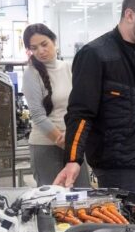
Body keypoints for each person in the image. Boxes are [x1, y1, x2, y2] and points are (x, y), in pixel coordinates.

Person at [54, 0, 135, 194]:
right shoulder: (94, 55)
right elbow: (81, 113)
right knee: (125, 225)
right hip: (117, 163)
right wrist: (73, 159)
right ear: (129, 15)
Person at [21, 24, 90, 187]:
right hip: (45, 146)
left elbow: (80, 105)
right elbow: (38, 115)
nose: (40, 51)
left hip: (72, 142)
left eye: (44, 44)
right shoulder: (31, 74)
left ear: (54, 41)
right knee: (53, 200)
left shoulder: (68, 67)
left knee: (82, 195)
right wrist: (65, 142)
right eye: (34, 48)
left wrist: (74, 140)